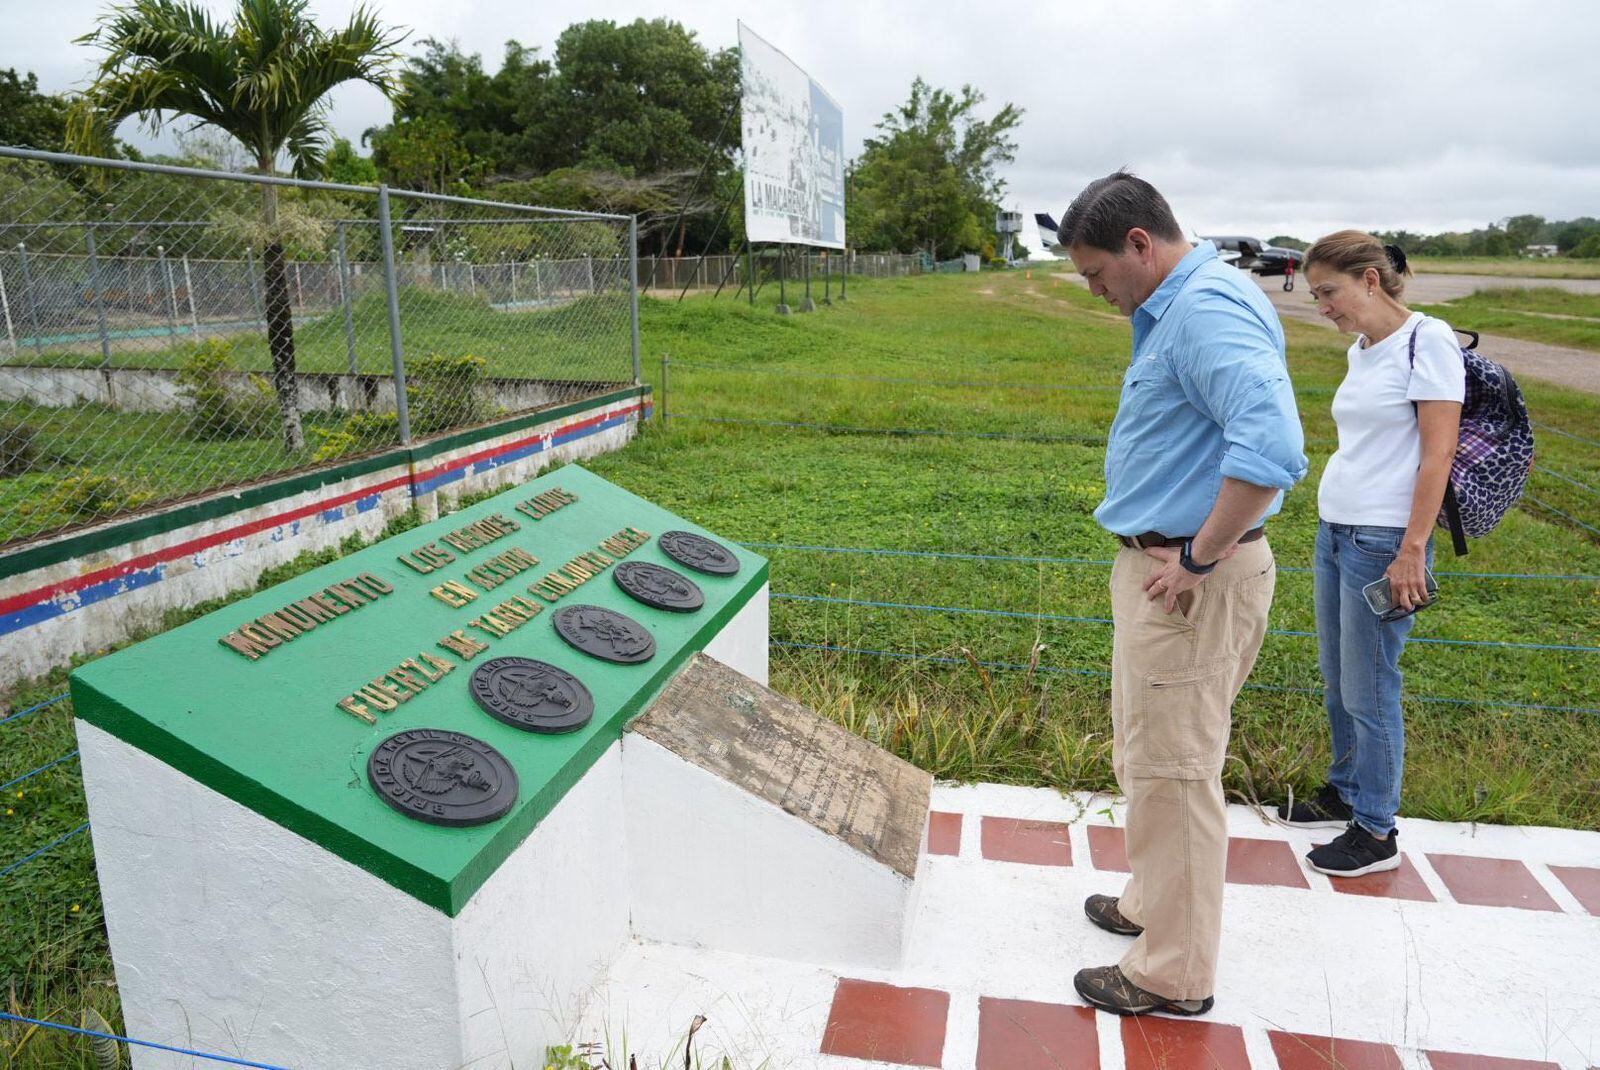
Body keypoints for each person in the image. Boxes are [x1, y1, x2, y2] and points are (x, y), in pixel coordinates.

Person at [1060, 173, 1308, 1017]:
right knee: (1147, 755)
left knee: (1176, 769)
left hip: (1188, 580)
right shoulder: (1177, 303)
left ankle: (1174, 973)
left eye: (1097, 275)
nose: (1095, 293)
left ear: (1140, 244)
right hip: (1163, 570)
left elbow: (1271, 447)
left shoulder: (1204, 309)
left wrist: (1199, 559)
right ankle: (1150, 903)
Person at [1276, 232, 1463, 877]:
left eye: (1329, 292)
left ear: (1371, 281)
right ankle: (1347, 790)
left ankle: (1376, 832)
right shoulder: (1364, 348)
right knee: (1339, 677)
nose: (1321, 305)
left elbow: (1437, 455)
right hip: (1337, 532)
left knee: (1372, 685)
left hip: (1384, 540)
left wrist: (1413, 550)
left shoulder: (1427, 340)